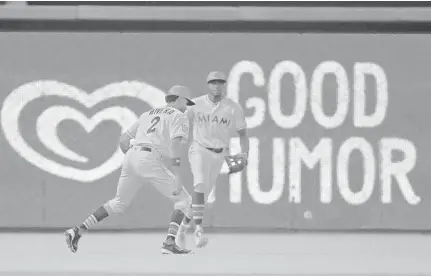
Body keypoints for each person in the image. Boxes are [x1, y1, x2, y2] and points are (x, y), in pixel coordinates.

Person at [64, 85, 196, 254]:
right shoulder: (179, 116)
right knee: (184, 200)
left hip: (131, 156)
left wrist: (134, 157)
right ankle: (170, 242)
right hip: (149, 157)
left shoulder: (147, 114)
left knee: (118, 203)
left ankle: (78, 229)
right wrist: (177, 174)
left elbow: (124, 140)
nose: (187, 106)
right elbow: (175, 145)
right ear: (178, 98)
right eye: (186, 102)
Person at [176, 71, 249, 248]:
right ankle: (199, 230)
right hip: (199, 149)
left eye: (220, 82)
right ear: (208, 85)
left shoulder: (233, 107)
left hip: (219, 154)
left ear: (224, 85)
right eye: (213, 82)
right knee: (199, 184)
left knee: (201, 199)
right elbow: (182, 122)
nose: (217, 86)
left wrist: (245, 154)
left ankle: (182, 229)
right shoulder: (196, 103)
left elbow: (243, 134)